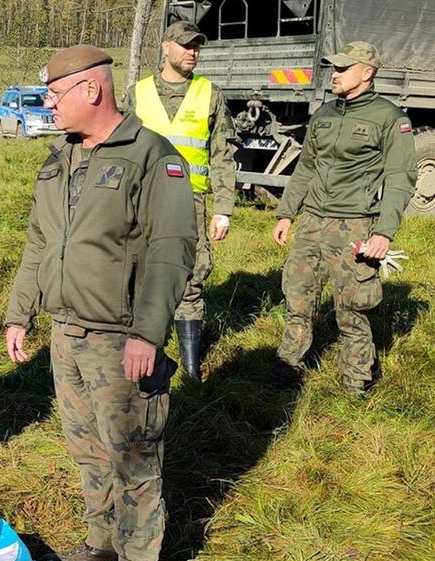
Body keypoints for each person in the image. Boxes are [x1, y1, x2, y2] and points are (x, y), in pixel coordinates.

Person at [3, 45, 196, 561]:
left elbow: (171, 252)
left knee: (134, 457)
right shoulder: (59, 160)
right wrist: (19, 313)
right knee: (87, 448)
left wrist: (148, 332)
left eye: (56, 95)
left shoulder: (151, 158)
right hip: (67, 334)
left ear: (91, 91)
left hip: (123, 340)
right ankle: (102, 540)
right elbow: (40, 243)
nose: (49, 106)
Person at [272, 41, 417, 396]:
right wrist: (287, 212)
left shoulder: (389, 118)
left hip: (352, 225)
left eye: (342, 69)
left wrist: (384, 232)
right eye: (333, 68)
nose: (334, 75)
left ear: (366, 73)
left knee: (352, 308)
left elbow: (401, 178)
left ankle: (355, 382)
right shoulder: (323, 114)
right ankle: (288, 367)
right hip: (311, 223)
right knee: (297, 299)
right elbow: (306, 167)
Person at [124, 20, 237, 382]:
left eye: (197, 47)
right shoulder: (137, 93)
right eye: (186, 45)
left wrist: (223, 209)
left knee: (192, 275)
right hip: (143, 200)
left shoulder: (210, 94)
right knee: (137, 274)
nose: (192, 52)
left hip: (191, 201)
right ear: (165, 47)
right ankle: (142, 355)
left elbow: (222, 154)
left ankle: (190, 372)